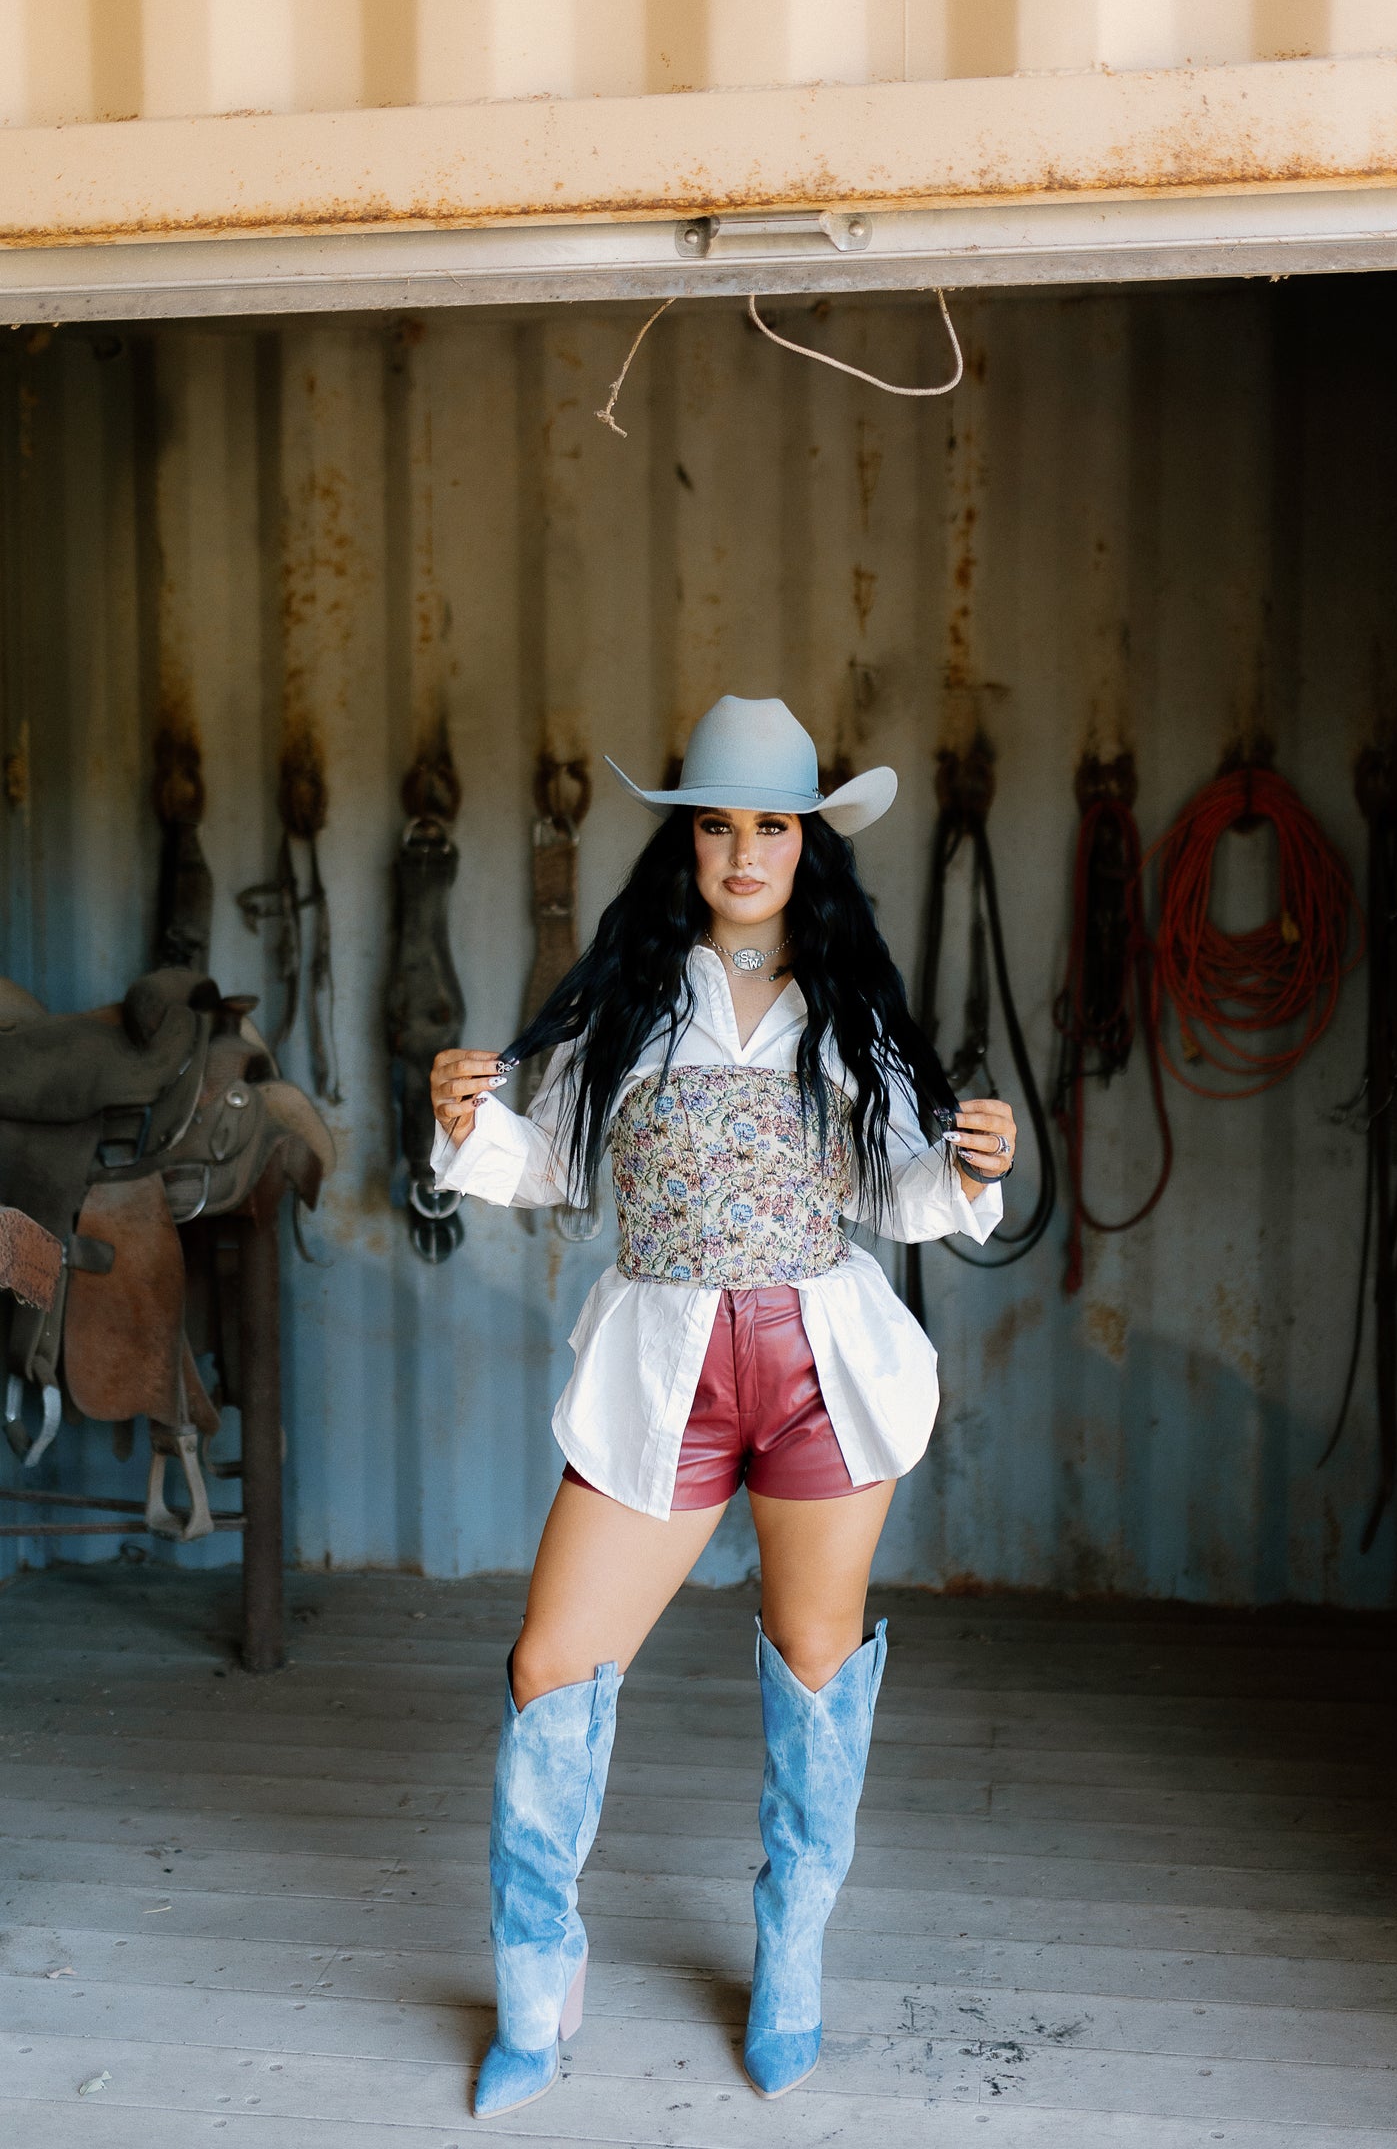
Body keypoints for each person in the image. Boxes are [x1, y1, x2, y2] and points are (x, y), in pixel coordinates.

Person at [429, 694, 1015, 2117]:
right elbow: (549, 1164)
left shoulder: (852, 1014)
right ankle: (531, 1982)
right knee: (550, 1663)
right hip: (662, 1378)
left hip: (823, 1376)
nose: (742, 851)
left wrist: (978, 1160)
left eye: (770, 825)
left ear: (808, 844)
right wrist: (465, 1121)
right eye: (715, 824)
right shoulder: (631, 1002)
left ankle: (791, 1962)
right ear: (684, 841)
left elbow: (904, 1195)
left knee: (812, 1665)